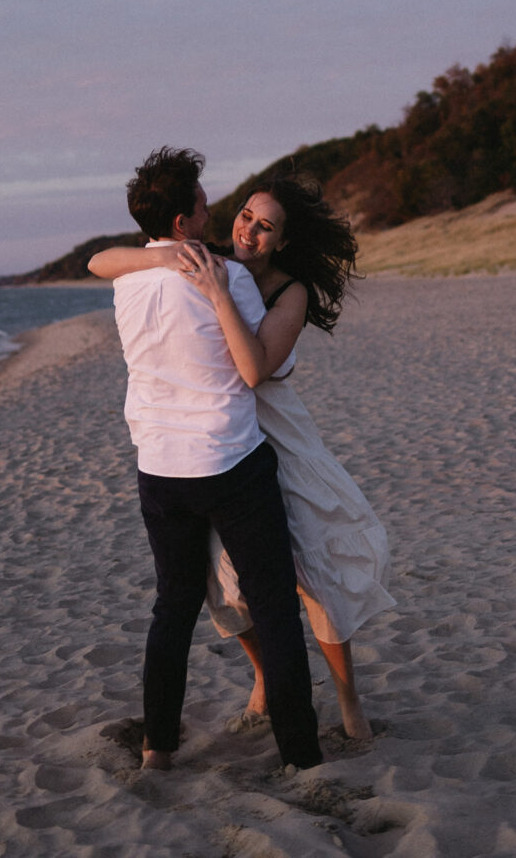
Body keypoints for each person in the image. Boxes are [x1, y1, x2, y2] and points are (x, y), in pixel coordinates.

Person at [90, 172, 395, 742]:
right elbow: (102, 260)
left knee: (315, 572)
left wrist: (215, 291)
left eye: (266, 227)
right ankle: (262, 678)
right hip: (223, 443)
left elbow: (254, 370)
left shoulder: (288, 291)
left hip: (274, 436)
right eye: (246, 218)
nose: (249, 232)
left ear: (282, 241)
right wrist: (166, 259)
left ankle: (348, 698)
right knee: (226, 585)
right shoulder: (205, 258)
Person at [99, 147, 322, 772]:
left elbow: (104, 259)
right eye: (202, 203)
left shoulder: (125, 281)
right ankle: (301, 758)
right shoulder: (231, 278)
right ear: (181, 224)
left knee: (173, 607)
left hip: (159, 469)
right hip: (229, 463)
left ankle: (156, 752)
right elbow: (263, 365)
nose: (213, 209)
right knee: (274, 607)